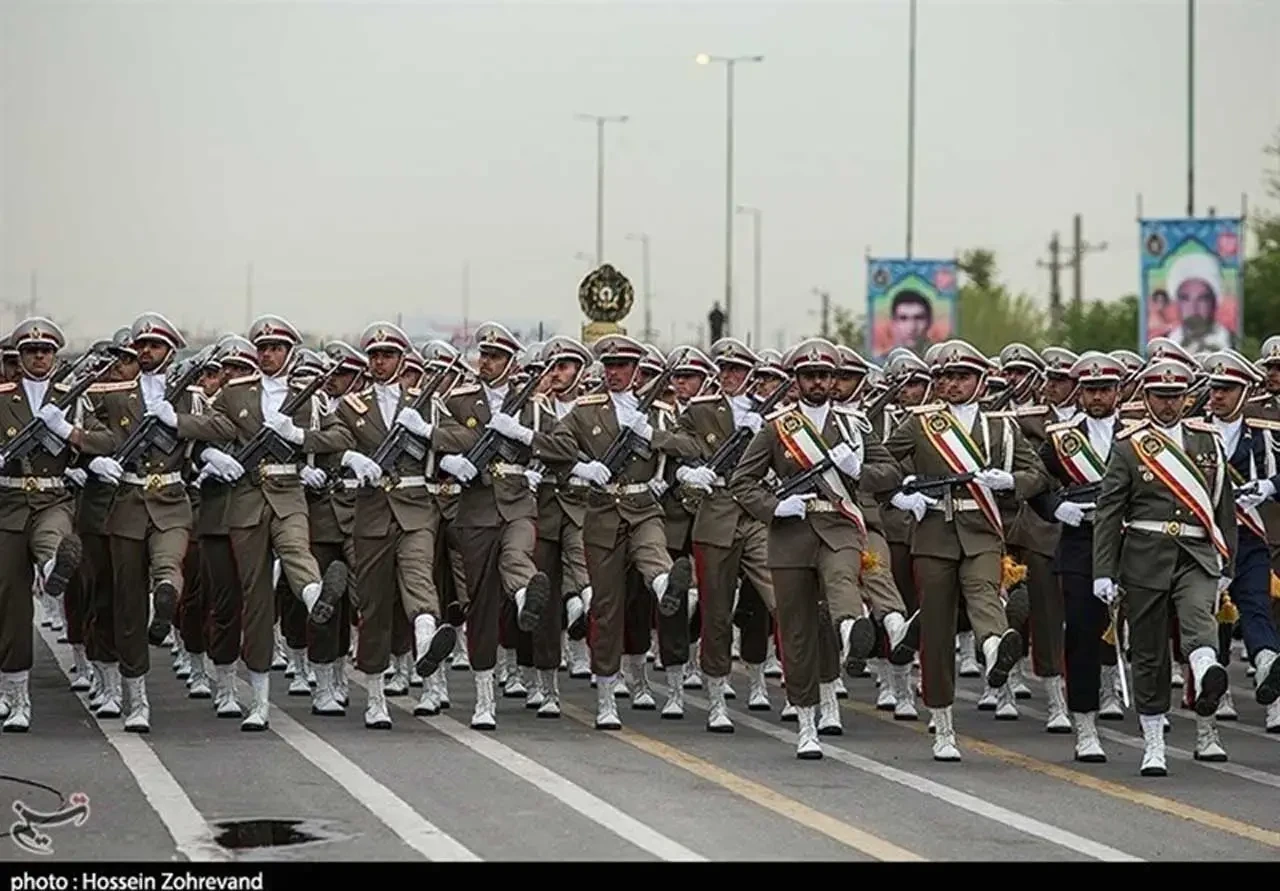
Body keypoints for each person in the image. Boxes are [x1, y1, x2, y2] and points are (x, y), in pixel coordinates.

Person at [729, 337, 903, 759]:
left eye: (824, 375)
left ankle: (852, 629)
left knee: (842, 578)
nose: (818, 382)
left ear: (834, 379)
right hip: (791, 533)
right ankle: (807, 722)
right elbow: (742, 481)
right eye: (809, 376)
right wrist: (774, 507)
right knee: (798, 631)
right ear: (797, 381)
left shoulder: (853, 426)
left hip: (840, 526)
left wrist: (857, 469)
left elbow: (891, 472)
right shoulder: (776, 427)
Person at [884, 339, 1041, 761]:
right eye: (946, 377)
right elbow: (881, 462)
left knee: (985, 593)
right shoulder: (921, 423)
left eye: (962, 377)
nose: (953, 384)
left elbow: (1036, 473)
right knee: (936, 629)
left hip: (982, 530)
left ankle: (994, 648)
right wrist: (900, 494)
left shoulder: (1001, 428)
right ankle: (943, 725)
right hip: (934, 531)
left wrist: (1010, 482)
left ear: (981, 381)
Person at [1092, 358, 1236, 776]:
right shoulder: (1128, 445)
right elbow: (1109, 511)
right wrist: (1104, 570)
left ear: (1187, 398)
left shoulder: (1207, 440)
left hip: (1196, 552)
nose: (1167, 404)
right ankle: (1153, 742)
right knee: (1149, 652)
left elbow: (1222, 504)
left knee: (1198, 619)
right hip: (1144, 554)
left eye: (1174, 396)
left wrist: (1227, 559)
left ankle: (1207, 672)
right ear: (1146, 397)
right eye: (1159, 396)